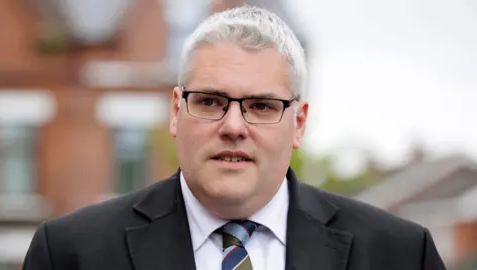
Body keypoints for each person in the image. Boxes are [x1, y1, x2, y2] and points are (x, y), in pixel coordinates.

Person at [23, 5, 446, 270]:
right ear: (176, 112)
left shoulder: (402, 255)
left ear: (298, 123)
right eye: (209, 102)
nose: (233, 126)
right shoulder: (70, 254)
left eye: (261, 106)